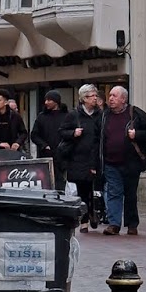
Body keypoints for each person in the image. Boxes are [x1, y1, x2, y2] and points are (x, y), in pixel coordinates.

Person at [98, 85, 146, 236]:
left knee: (130, 194)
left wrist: (136, 134)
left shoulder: (135, 113)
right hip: (111, 162)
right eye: (110, 95)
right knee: (113, 192)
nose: (110, 99)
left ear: (124, 99)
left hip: (131, 163)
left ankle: (131, 224)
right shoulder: (105, 115)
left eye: (114, 96)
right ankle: (114, 224)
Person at [58, 84, 105, 228]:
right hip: (78, 158)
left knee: (95, 188)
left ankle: (94, 212)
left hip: (96, 156)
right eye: (92, 96)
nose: (95, 98)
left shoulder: (101, 114)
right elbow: (62, 131)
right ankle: (84, 219)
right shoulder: (74, 115)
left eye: (96, 96)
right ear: (84, 98)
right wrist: (73, 133)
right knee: (82, 189)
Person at [31, 91, 71, 190]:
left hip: (63, 156)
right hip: (46, 155)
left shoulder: (67, 116)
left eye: (49, 100)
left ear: (56, 101)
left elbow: (71, 134)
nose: (46, 102)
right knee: (46, 183)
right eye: (45, 100)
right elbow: (34, 135)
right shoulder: (42, 117)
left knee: (61, 184)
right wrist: (44, 145)